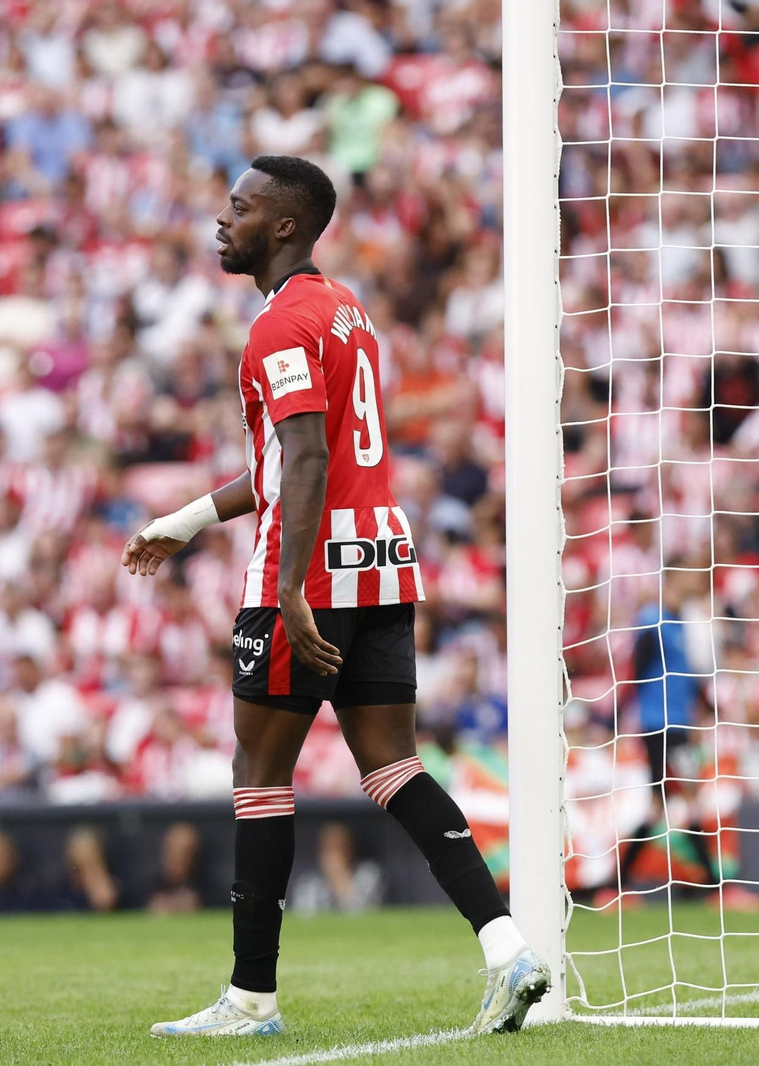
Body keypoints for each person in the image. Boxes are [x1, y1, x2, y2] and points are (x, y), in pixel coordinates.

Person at [123, 156, 547, 1038]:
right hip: (382, 556)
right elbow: (295, 459)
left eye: (239, 208)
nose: (221, 220)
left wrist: (287, 586)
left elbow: (307, 460)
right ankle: (509, 950)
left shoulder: (278, 329)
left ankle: (250, 1000)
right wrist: (189, 518)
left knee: (259, 775)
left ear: (283, 226)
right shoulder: (348, 312)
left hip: (310, 567)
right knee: (392, 765)